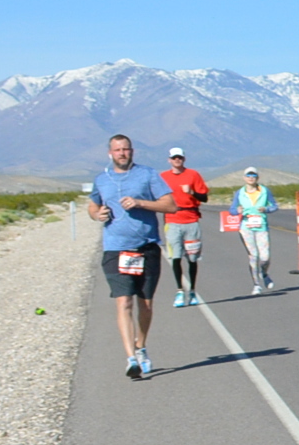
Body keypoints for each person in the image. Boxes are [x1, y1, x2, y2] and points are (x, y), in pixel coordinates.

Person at [84, 133, 174, 380]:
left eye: (126, 149)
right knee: (124, 301)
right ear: (110, 153)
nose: (122, 153)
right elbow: (92, 205)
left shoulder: (147, 175)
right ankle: (131, 358)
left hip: (146, 247)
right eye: (117, 150)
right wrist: (97, 214)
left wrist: (140, 203)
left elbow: (170, 205)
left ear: (132, 151)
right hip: (116, 249)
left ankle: (140, 346)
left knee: (145, 304)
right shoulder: (102, 179)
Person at [159, 146, 211, 307]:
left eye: (179, 157)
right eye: (174, 158)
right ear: (169, 160)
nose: (177, 160)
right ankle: (180, 291)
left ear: (184, 159)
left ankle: (193, 291)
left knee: (192, 258)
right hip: (172, 220)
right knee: (175, 257)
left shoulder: (193, 175)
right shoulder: (163, 177)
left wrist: (191, 193)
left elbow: (204, 197)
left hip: (191, 220)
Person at [230, 168, 278, 294]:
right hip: (246, 228)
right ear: (244, 178)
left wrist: (266, 209)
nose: (251, 177)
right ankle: (256, 284)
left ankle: (264, 273)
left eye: (253, 175)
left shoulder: (265, 191)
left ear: (257, 177)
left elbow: (274, 206)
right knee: (253, 256)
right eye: (248, 175)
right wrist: (237, 211)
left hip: (262, 227)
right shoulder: (240, 193)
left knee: (265, 257)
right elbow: (232, 210)